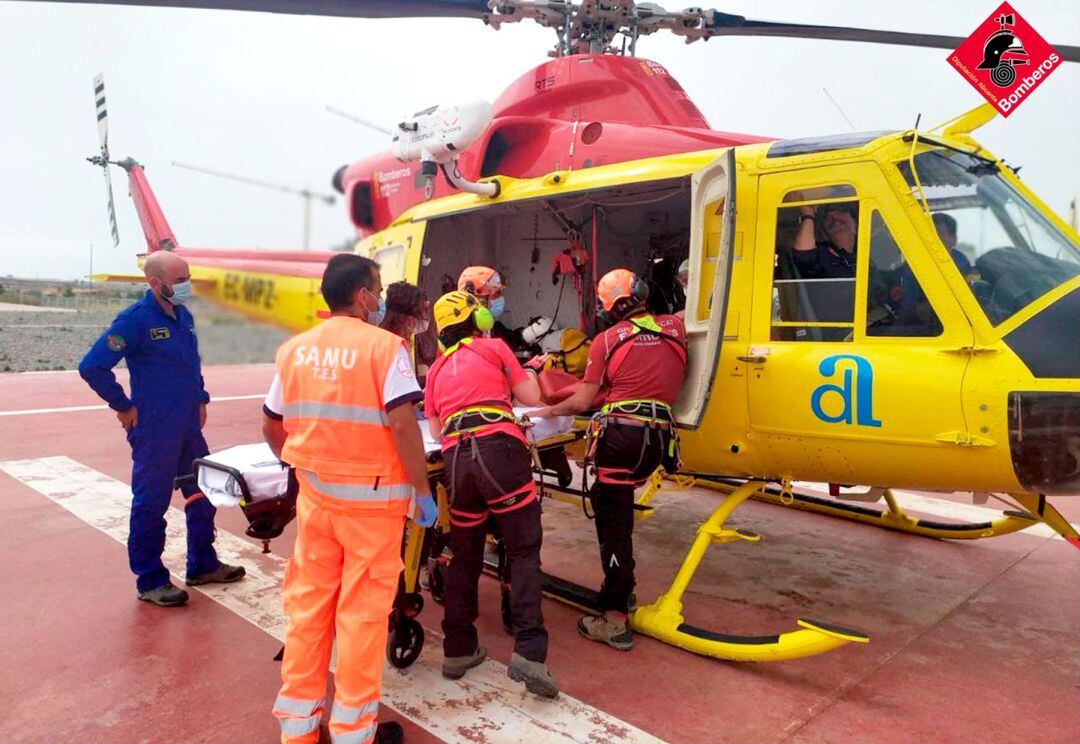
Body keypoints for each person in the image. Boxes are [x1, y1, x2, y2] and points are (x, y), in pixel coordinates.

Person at [262, 254, 436, 744]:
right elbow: (403, 424)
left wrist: (302, 463)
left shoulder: (295, 349)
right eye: (377, 291)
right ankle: (353, 732)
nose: (380, 300)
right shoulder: (386, 348)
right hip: (373, 505)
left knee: (309, 608)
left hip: (317, 501)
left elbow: (271, 423)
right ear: (362, 294)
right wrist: (422, 492)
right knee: (361, 616)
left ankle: (298, 728)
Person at [78, 251, 244, 607]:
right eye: (179, 280)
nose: (186, 286)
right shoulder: (135, 320)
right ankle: (150, 579)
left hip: (187, 425)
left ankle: (203, 563)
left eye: (187, 278)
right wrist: (123, 406)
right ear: (155, 283)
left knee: (203, 490)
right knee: (152, 502)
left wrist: (200, 399)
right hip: (155, 428)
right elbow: (92, 366)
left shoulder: (182, 316)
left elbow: (190, 363)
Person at [533, 269, 687, 651]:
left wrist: (545, 414)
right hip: (658, 441)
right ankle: (620, 590)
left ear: (607, 308)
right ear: (642, 292)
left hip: (620, 438)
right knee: (620, 519)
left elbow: (583, 401)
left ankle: (616, 616)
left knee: (613, 525)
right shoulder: (675, 326)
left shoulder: (605, 341)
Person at [423, 291, 558, 698]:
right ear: (477, 317)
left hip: (458, 461)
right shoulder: (495, 346)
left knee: (465, 554)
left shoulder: (435, 368)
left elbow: (434, 430)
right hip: (501, 452)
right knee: (522, 549)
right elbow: (532, 399)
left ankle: (458, 648)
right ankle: (530, 653)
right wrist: (530, 372)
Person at [379, 281, 437, 383]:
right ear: (407, 319)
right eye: (422, 312)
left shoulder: (401, 342)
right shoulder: (392, 348)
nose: (425, 318)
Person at [793, 202, 858, 278]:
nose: (834, 218)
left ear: (855, 223)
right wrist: (808, 214)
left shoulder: (868, 251)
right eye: (826, 216)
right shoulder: (821, 254)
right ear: (824, 230)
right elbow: (803, 255)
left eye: (841, 211)